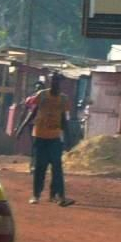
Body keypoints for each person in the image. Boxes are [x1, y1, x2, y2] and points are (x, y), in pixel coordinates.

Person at [15, 72, 74, 206]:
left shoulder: (63, 99)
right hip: (40, 136)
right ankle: (36, 195)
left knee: (57, 167)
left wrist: (68, 138)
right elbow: (32, 113)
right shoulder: (42, 95)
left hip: (55, 138)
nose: (55, 84)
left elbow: (64, 120)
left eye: (57, 82)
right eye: (53, 81)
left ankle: (60, 196)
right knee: (40, 167)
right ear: (50, 82)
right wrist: (20, 128)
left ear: (60, 84)